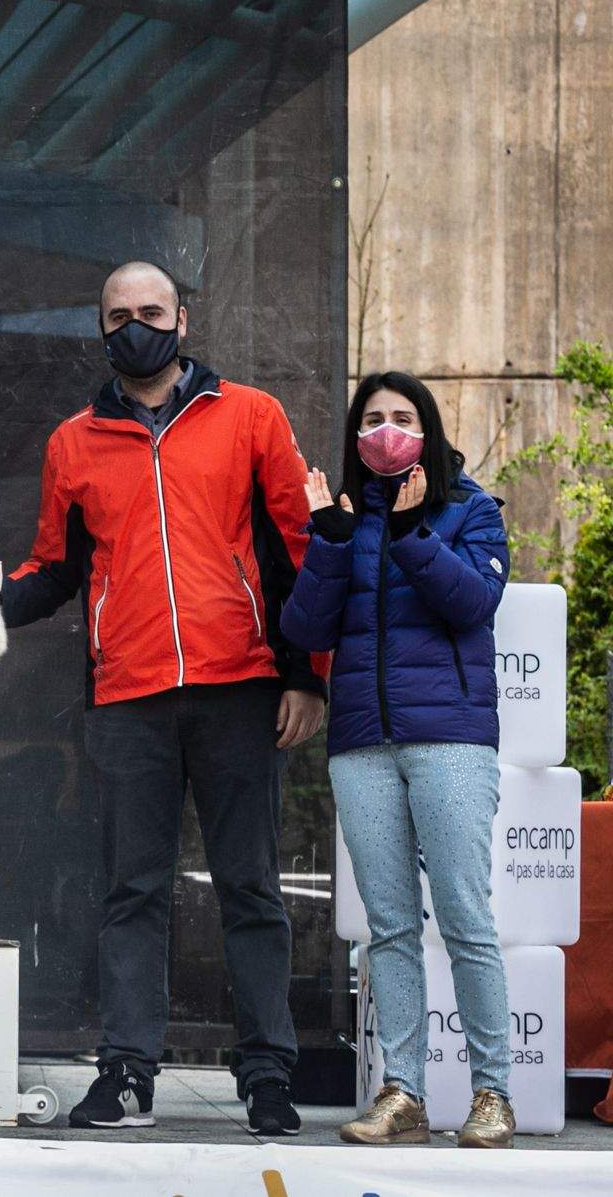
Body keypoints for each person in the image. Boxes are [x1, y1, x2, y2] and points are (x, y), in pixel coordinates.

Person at [0, 261, 325, 1136]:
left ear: (183, 319)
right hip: (128, 695)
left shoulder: (252, 415)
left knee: (251, 886)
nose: (135, 325)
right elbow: (53, 568)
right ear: (100, 327)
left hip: (241, 687)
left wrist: (306, 674)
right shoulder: (73, 441)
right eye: (119, 315)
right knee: (131, 890)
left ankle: (267, 1075)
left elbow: (297, 551)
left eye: (151, 310)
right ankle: (127, 1071)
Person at [280, 372, 514, 1148]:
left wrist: (414, 533)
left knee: (465, 917)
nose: (387, 429)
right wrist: (329, 541)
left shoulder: (471, 508)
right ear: (355, 434)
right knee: (389, 927)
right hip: (362, 745)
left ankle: (493, 1092)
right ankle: (403, 1091)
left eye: (403, 416)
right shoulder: (346, 519)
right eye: (373, 417)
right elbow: (306, 628)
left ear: (428, 428)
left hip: (450, 739)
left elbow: (473, 604)